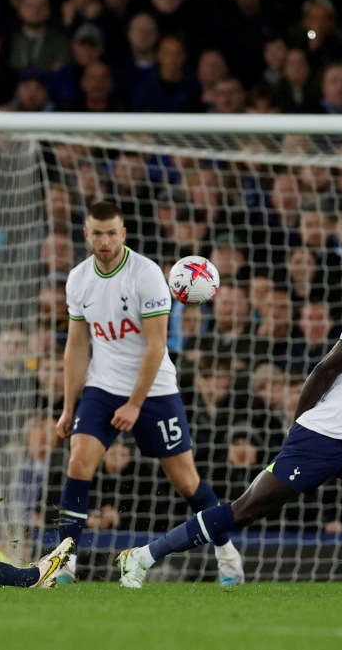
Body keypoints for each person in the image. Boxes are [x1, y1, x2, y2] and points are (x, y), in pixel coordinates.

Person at [117, 261, 342, 597]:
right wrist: (298, 426)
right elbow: (323, 370)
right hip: (321, 438)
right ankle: (141, 556)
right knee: (243, 511)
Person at [56, 200, 243, 586]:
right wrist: (68, 406)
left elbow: (157, 347)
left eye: (112, 233)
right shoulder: (78, 279)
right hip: (103, 386)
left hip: (153, 391)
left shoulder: (146, 276)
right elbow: (76, 347)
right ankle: (65, 563)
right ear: (86, 234)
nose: (104, 241)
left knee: (186, 482)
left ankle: (226, 553)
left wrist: (135, 404)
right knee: (78, 462)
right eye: (97, 233)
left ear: (123, 234)